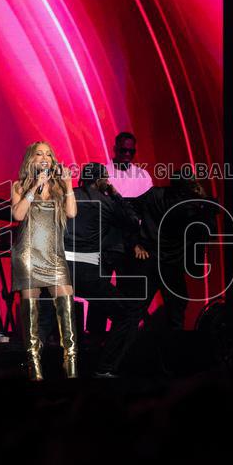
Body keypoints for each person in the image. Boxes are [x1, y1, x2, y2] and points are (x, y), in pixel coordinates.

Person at [64, 162, 146, 378]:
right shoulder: (106, 201)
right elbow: (133, 222)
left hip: (59, 271)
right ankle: (104, 368)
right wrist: (116, 195)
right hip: (87, 273)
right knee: (129, 312)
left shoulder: (66, 196)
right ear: (101, 181)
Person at [10, 141, 77, 380]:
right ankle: (34, 366)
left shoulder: (59, 186)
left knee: (66, 304)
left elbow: (71, 213)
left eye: (48, 154)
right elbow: (18, 215)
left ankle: (71, 364)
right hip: (28, 254)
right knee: (31, 313)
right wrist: (34, 187)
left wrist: (69, 185)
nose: (45, 157)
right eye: (39, 154)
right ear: (31, 159)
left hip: (53, 255)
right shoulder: (19, 186)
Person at [131, 169, 218, 331]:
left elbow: (130, 209)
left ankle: (121, 345)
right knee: (176, 311)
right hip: (171, 265)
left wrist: (135, 242)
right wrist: (205, 202)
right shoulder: (191, 206)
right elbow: (208, 231)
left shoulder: (154, 194)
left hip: (149, 260)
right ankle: (173, 345)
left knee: (134, 311)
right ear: (190, 185)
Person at [86, 131, 153, 334]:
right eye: (123, 150)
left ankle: (120, 334)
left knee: (127, 288)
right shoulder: (103, 173)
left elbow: (147, 211)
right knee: (100, 287)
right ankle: (95, 334)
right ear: (115, 149)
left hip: (131, 242)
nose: (127, 155)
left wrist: (140, 241)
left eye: (131, 152)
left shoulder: (142, 176)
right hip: (105, 240)